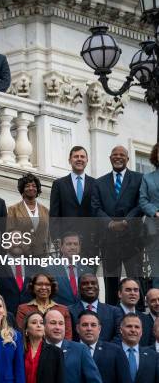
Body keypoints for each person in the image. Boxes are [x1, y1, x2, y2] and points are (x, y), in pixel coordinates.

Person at [92, 146, 144, 303]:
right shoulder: (99, 183)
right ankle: (112, 312)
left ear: (128, 159)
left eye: (122, 155)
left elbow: (141, 203)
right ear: (110, 158)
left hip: (133, 239)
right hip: (109, 240)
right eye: (114, 154)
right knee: (110, 281)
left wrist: (125, 222)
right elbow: (95, 208)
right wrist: (110, 224)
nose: (118, 157)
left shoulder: (139, 178)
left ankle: (139, 312)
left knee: (135, 279)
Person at [49, 146, 97, 251]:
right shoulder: (59, 184)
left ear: (87, 160)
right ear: (70, 160)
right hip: (66, 241)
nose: (79, 159)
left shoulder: (96, 184)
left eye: (82, 157)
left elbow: (97, 212)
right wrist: (56, 238)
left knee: (89, 268)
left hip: (90, 242)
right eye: (76, 156)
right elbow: (54, 214)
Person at [44, 309, 101, 383]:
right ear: (44, 326)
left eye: (61, 323)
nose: (57, 327)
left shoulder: (81, 350)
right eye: (53, 323)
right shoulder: (38, 349)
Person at [76, 310, 131, 383]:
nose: (89, 329)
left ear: (99, 329)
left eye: (93, 325)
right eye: (85, 325)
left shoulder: (115, 352)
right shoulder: (68, 351)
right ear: (77, 328)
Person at [16, 272, 73, 340]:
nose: (43, 287)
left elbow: (67, 337)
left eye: (47, 284)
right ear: (32, 287)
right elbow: (21, 335)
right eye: (39, 284)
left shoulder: (63, 310)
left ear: (52, 287)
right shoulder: (23, 309)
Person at [68, 273, 123, 342]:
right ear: (79, 288)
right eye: (85, 283)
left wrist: (106, 350)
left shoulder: (114, 312)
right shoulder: (69, 311)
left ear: (98, 287)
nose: (90, 286)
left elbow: (120, 336)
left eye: (93, 283)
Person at [7, 173, 49, 257]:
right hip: (21, 255)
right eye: (27, 186)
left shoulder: (46, 211)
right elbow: (10, 233)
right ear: (22, 189)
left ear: (37, 189)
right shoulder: (13, 209)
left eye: (34, 186)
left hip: (42, 255)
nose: (31, 188)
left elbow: (48, 235)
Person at [48, 232, 91, 306]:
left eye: (75, 244)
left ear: (79, 247)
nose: (72, 247)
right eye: (69, 244)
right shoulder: (49, 270)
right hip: (59, 314)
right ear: (61, 246)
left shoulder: (88, 271)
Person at [22, 311, 65, 383]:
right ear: (26, 330)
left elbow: (60, 379)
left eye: (41, 323)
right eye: (34, 322)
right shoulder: (20, 350)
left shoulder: (56, 352)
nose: (38, 325)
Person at [140, 143, 159, 284]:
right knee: (156, 268)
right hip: (153, 227)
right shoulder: (147, 178)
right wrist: (156, 212)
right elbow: (143, 200)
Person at [120, 313, 159, 382]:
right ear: (121, 330)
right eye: (129, 326)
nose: (133, 330)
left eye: (137, 327)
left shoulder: (154, 356)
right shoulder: (111, 353)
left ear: (141, 332)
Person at [117, 278, 154, 345]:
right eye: (128, 290)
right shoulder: (110, 316)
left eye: (136, 290)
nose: (132, 293)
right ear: (119, 294)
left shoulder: (147, 320)